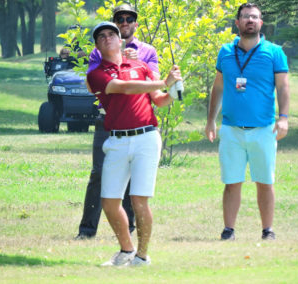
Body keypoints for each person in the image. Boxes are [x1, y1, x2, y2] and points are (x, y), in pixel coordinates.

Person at [86, 21, 181, 266]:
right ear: (97, 46)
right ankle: (126, 250)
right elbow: (123, 88)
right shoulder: (96, 74)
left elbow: (158, 101)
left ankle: (141, 256)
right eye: (101, 37)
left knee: (139, 199)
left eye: (111, 34)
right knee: (109, 202)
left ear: (121, 41)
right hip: (117, 140)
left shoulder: (141, 66)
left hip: (147, 138)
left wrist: (174, 92)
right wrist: (164, 82)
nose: (107, 38)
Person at [205, 3, 290, 241]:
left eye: (255, 17)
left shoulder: (274, 52)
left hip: (263, 129)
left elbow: (283, 87)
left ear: (261, 23)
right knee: (232, 182)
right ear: (237, 22)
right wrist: (211, 120)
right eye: (245, 17)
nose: (250, 20)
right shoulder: (225, 52)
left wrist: (283, 118)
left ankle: (267, 230)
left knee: (264, 181)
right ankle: (228, 230)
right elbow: (218, 86)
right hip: (231, 129)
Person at [76, 3, 160, 240]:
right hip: (109, 122)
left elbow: (154, 81)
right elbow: (95, 82)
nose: (124, 23)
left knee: (135, 182)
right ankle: (87, 230)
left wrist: (135, 64)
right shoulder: (99, 49)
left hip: (140, 124)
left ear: (135, 23)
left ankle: (129, 231)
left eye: (128, 19)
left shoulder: (147, 52)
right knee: (99, 174)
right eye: (119, 19)